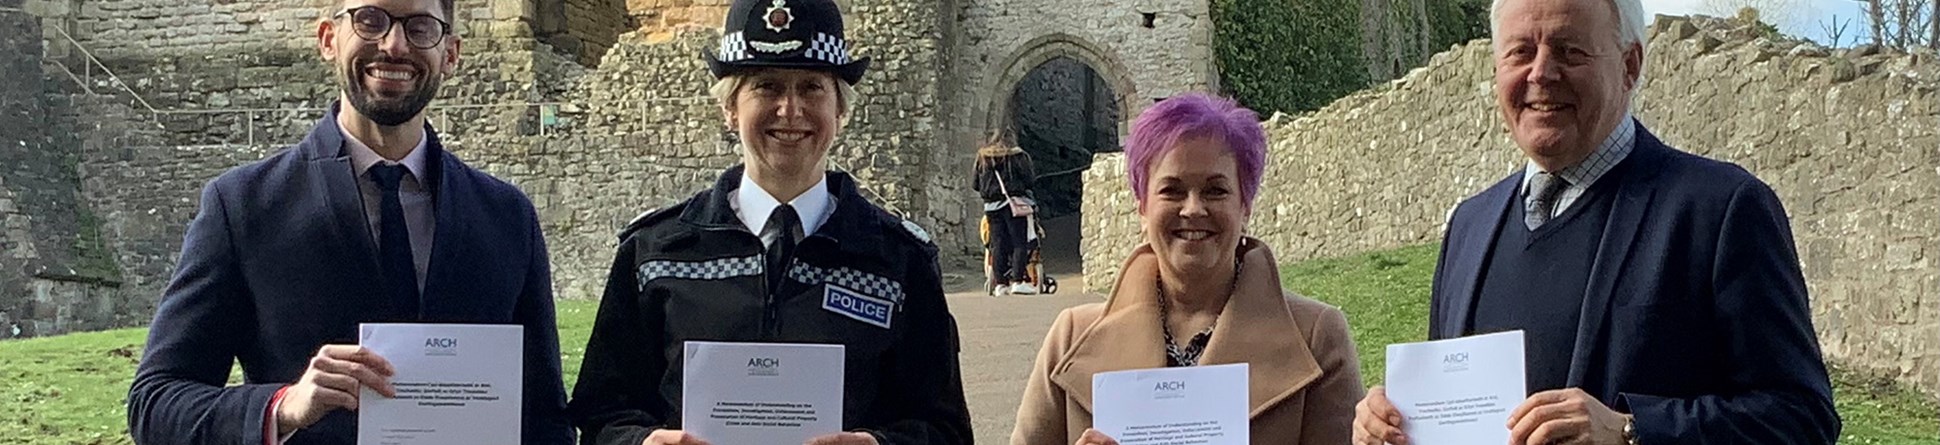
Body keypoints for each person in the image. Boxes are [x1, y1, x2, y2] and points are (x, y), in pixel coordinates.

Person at [1351, 0, 1839, 443]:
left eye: (1569, 51)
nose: (1541, 73)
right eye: (1520, 52)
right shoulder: (1469, 226)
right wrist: (1393, 424)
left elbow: (1803, 417)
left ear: (1630, 65)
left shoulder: (1720, 209)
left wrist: (1632, 431)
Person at [125, 0, 575, 444]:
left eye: (420, 27)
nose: (394, 45)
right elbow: (156, 404)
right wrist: (283, 405)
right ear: (328, 39)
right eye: (370, 20)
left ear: (451, 54)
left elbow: (544, 419)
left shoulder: (507, 216)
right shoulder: (243, 205)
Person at [563, 0, 973, 444]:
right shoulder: (654, 252)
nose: (790, 109)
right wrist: (640, 443)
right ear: (730, 108)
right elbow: (601, 415)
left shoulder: (899, 259)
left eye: (812, 87)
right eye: (767, 86)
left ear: (840, 110)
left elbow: (947, 429)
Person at [1010, 93, 1363, 445]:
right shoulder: (1071, 337)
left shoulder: (1316, 337)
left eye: (1215, 190)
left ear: (1246, 206)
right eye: (1172, 190)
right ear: (1142, 206)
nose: (1193, 208)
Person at [973, 134, 1039, 296]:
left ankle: (1000, 284)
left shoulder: (982, 157)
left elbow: (975, 184)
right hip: (1014, 205)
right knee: (1019, 243)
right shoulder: (1018, 156)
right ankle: (1017, 281)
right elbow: (1029, 180)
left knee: (997, 244)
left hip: (992, 207)